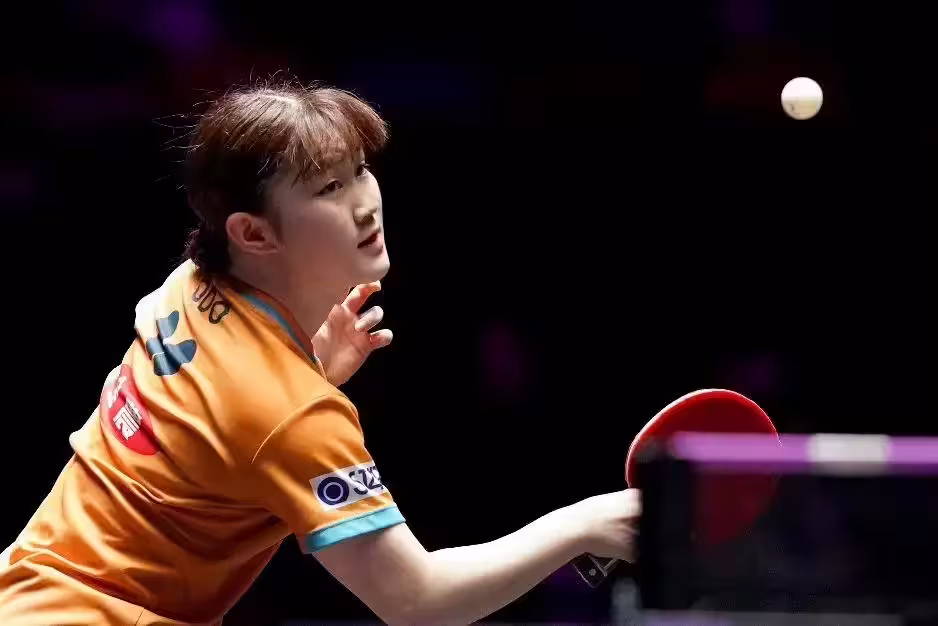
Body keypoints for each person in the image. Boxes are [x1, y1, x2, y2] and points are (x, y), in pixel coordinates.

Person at [0, 78, 640, 625]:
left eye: (359, 170)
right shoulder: (293, 417)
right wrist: (581, 525)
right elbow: (417, 601)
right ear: (253, 233)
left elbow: (211, 439)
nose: (365, 205)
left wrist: (307, 371)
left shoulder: (187, 286)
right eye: (328, 189)